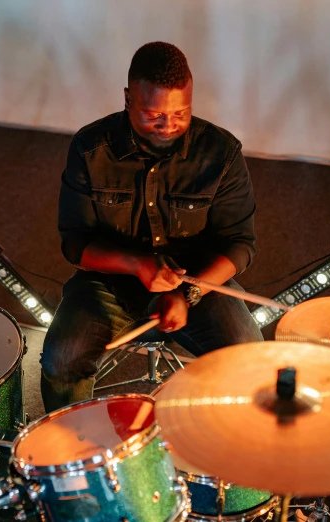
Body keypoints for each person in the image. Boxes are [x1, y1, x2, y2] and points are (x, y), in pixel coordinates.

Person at [40, 41, 263, 413]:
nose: (168, 126)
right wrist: (137, 265)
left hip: (198, 283)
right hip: (110, 282)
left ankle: (228, 451)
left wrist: (188, 293)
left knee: (249, 359)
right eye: (154, 114)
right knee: (62, 360)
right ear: (128, 98)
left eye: (181, 113)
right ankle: (65, 447)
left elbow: (240, 245)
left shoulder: (221, 153)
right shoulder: (90, 148)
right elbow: (76, 246)